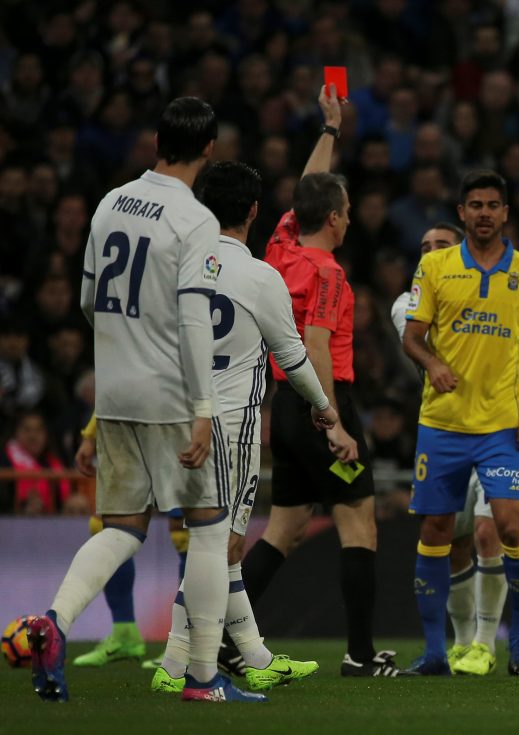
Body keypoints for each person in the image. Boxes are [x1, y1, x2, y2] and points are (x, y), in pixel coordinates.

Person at [28, 97, 265, 703]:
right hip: (169, 394)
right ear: (209, 149)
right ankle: (205, 679)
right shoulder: (195, 219)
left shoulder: (110, 202)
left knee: (123, 526)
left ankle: (53, 623)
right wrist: (205, 409)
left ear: (156, 140)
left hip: (112, 390)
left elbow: (87, 301)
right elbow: (193, 322)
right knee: (211, 527)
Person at [151, 151, 345, 693]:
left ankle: (253, 655)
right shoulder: (259, 275)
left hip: (174, 417)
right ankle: (181, 667)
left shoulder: (175, 263)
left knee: (212, 542)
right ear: (254, 210)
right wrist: (323, 406)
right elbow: (292, 354)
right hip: (229, 422)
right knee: (223, 543)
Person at [240, 88, 398, 678]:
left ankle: (228, 636)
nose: (351, 214)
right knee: (359, 520)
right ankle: (359, 654)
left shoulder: (280, 250)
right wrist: (334, 424)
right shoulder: (328, 274)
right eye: (347, 207)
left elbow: (309, 188)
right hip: (318, 405)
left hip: (283, 408)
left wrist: (330, 131)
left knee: (285, 528)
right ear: (334, 219)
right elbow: (316, 349)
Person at [401, 169, 519, 676]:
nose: (484, 213)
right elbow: (412, 335)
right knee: (437, 528)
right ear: (462, 212)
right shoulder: (436, 266)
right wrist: (432, 363)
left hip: (502, 427)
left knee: (511, 526)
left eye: (493, 205)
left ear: (505, 212)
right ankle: (433, 651)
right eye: (475, 205)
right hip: (442, 423)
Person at [390, 222, 509, 676]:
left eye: (442, 245)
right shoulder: (406, 305)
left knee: (485, 533)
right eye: (424, 247)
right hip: (443, 430)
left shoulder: (499, 287)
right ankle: (458, 646)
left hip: (497, 428)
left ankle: (485, 643)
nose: (431, 252)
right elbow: (424, 339)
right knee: (454, 544)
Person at [70, 415, 188, 669]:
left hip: (176, 425)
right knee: (107, 526)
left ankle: (187, 643)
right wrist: (91, 433)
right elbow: (114, 378)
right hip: (129, 431)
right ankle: (124, 634)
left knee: (186, 533)